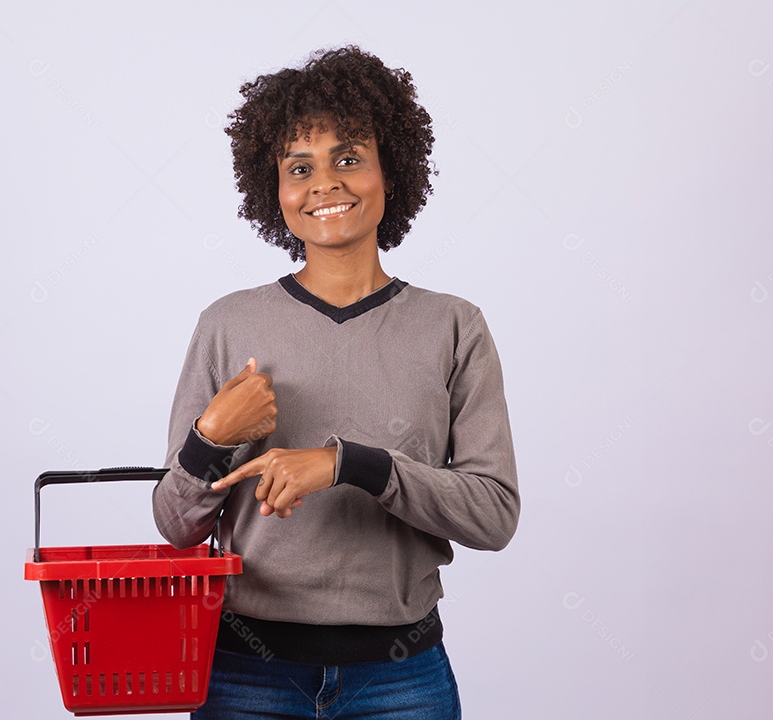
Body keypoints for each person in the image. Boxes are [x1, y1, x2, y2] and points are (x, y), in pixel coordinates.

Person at [152, 45, 519, 720]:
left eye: (348, 157)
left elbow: (494, 515)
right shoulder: (228, 324)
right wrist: (209, 439)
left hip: (400, 682)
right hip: (244, 678)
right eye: (300, 167)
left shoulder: (454, 327)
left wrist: (352, 465)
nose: (326, 183)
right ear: (277, 192)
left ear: (390, 171)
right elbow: (176, 525)